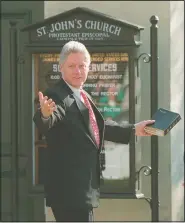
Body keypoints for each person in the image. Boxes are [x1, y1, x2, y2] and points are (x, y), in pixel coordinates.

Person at [33, 41, 155, 222]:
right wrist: (44, 114)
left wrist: (134, 129)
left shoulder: (82, 94)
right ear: (61, 68)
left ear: (88, 68)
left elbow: (97, 126)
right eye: (72, 66)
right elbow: (48, 120)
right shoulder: (57, 95)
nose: (77, 71)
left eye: (82, 66)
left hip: (83, 188)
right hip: (69, 191)